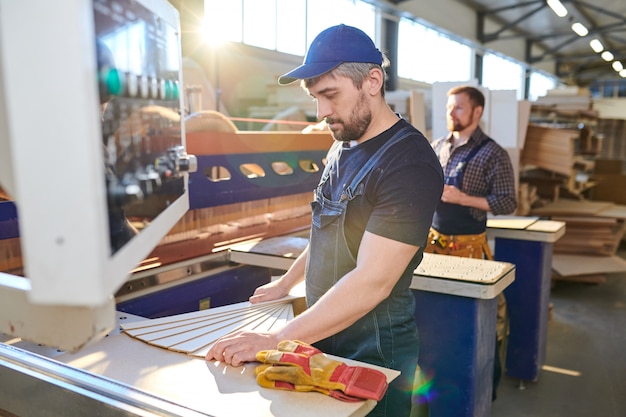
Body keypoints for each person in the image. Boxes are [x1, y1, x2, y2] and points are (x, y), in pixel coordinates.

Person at [205, 24, 444, 416]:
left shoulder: (409, 163)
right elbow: (326, 230)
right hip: (318, 336)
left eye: (330, 95)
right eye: (316, 98)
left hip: (372, 352)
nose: (321, 113)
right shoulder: (343, 146)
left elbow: (373, 281)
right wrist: (286, 282)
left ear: (372, 81)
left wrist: (278, 339)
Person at [425, 85, 517, 401]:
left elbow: (507, 203)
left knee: (476, 321)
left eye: (459, 108)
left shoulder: (494, 154)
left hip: (470, 249)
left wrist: (464, 198)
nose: (451, 113)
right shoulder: (438, 146)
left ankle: (479, 390)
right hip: (432, 245)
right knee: (431, 316)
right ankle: (434, 388)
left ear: (477, 112)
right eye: (450, 108)